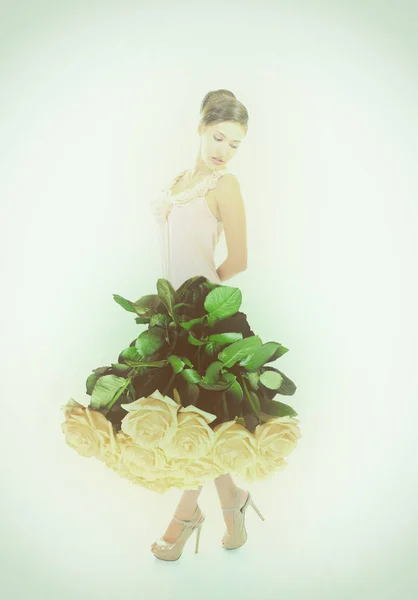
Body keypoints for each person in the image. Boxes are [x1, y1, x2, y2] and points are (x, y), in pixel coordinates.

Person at [148, 89, 265, 560]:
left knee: (194, 423)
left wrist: (204, 303)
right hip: (170, 313)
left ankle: (184, 517)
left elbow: (238, 258)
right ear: (200, 128)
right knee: (199, 423)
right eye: (219, 137)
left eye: (235, 144)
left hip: (205, 317)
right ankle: (232, 503)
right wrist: (171, 308)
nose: (224, 151)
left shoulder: (225, 185)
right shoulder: (180, 181)